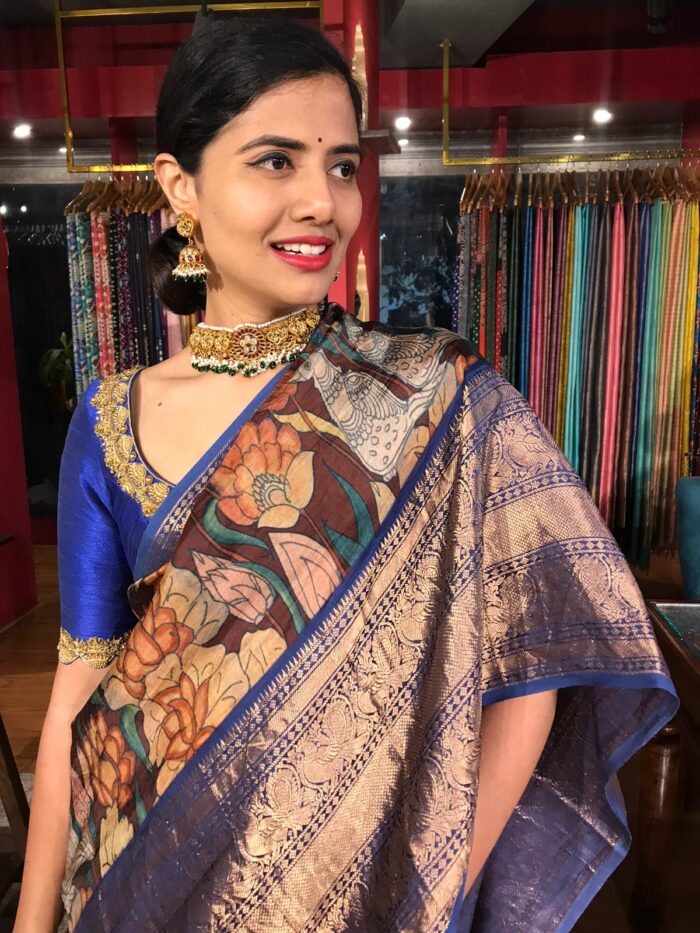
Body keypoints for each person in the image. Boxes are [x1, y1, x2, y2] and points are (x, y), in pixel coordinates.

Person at [15, 17, 677, 933]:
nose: (323, 202)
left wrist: (428, 892)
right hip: (141, 882)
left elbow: (530, 672)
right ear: (179, 186)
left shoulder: (435, 395)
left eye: (340, 166)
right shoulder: (107, 419)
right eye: (275, 161)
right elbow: (76, 701)